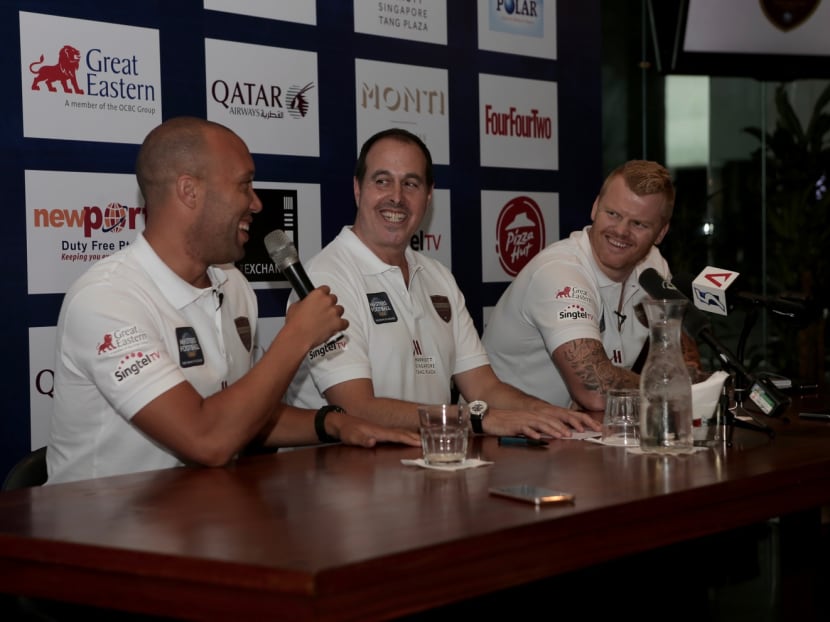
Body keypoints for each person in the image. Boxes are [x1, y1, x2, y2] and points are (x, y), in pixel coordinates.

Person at [46, 117, 419, 485]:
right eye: (244, 185)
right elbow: (207, 439)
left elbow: (242, 414)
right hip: (100, 533)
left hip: (197, 523)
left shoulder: (233, 286)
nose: (256, 203)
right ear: (189, 191)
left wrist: (333, 422)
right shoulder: (108, 299)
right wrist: (298, 336)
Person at [285, 128, 600, 438]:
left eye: (411, 183)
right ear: (357, 189)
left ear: (428, 195)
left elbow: (483, 386)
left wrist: (545, 412)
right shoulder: (324, 280)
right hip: (343, 477)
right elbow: (356, 408)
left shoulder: (437, 276)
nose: (396, 197)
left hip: (428, 466)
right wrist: (477, 420)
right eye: (382, 181)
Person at [481, 160, 702, 412]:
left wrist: (688, 380)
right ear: (595, 207)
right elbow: (595, 391)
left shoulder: (653, 266)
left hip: (581, 433)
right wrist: (670, 391)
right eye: (613, 214)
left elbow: (681, 358)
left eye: (639, 224)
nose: (620, 231)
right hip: (504, 436)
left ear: (661, 233)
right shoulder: (560, 271)